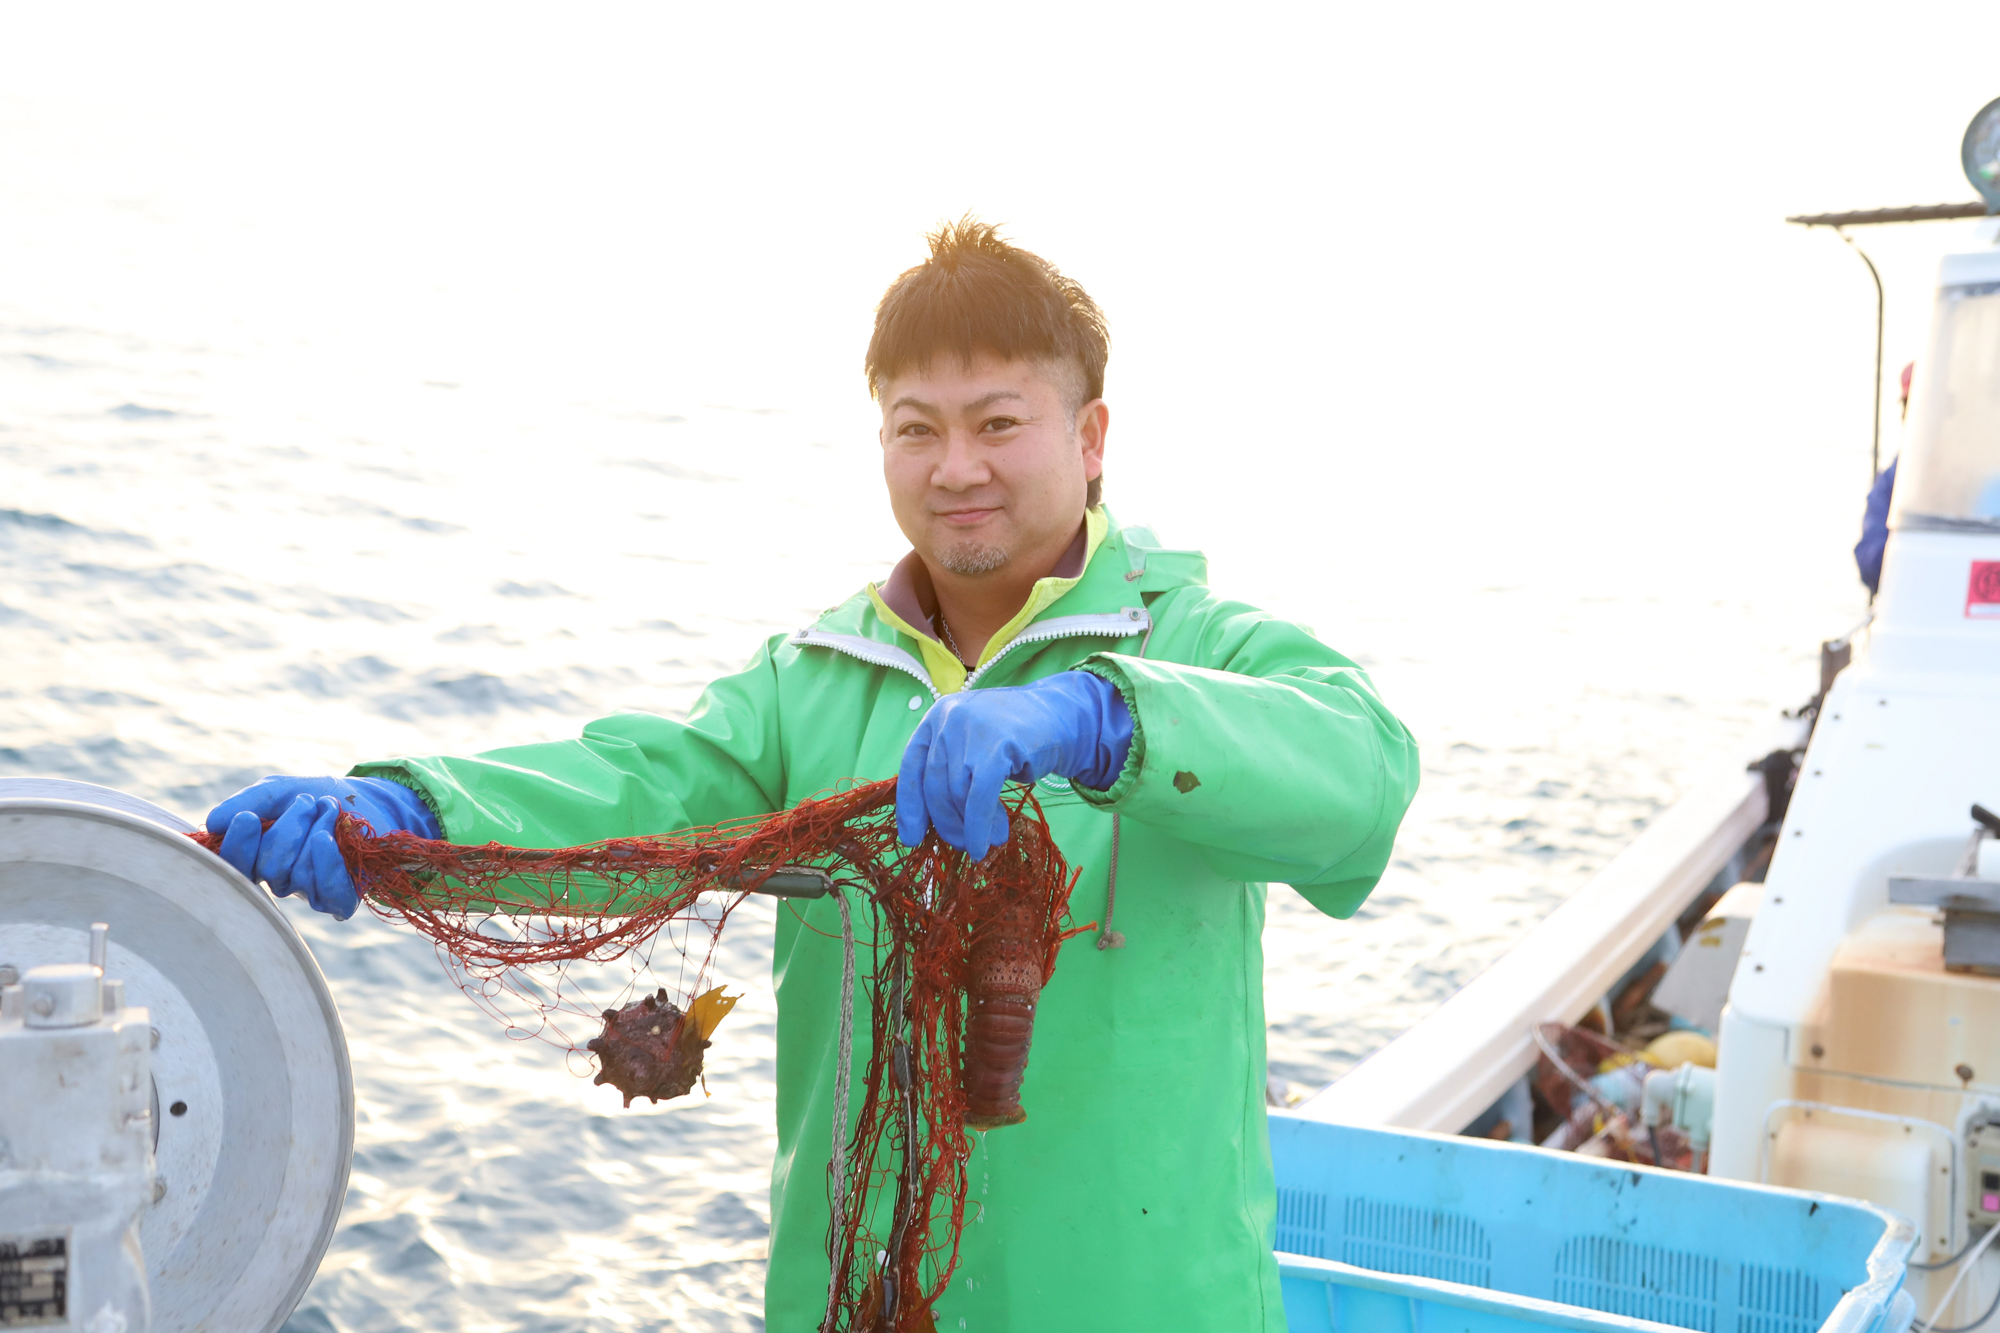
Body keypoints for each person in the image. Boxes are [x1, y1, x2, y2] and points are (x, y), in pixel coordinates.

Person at [206, 218, 1420, 1331]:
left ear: (1090, 434)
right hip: (854, 1293)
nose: (956, 468)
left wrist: (1108, 719)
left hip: (1139, 1296)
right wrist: (416, 809)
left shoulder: (1193, 645)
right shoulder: (812, 680)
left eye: (998, 422)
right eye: (916, 427)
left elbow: (1361, 769)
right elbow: (641, 790)